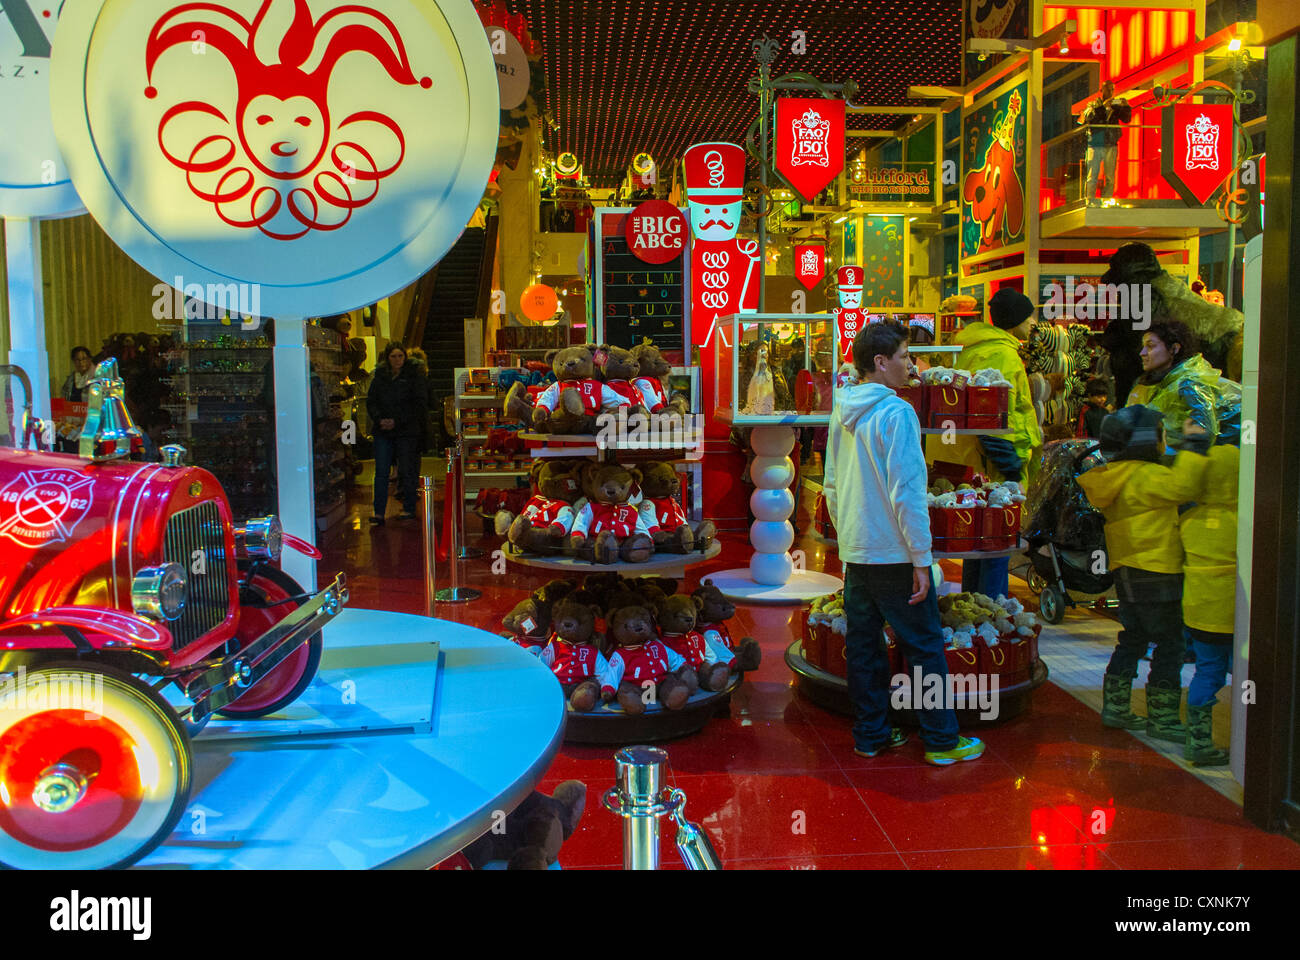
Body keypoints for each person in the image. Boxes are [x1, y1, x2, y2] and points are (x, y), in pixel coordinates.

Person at [824, 322, 985, 766]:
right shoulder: (897, 414)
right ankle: (941, 740)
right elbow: (908, 493)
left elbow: (832, 486)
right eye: (905, 355)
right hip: (894, 553)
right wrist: (921, 557)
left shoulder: (842, 410)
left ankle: (871, 735)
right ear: (880, 362)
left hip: (858, 552)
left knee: (863, 646)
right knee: (924, 646)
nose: (911, 364)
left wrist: (850, 539)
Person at [1077, 406, 1211, 740]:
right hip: (1158, 570)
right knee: (1170, 644)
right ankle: (1163, 719)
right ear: (1147, 441)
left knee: (1132, 638)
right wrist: (1195, 447)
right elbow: (1183, 487)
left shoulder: (1115, 474)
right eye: (1163, 433)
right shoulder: (1146, 475)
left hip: (1126, 570)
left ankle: (1115, 707)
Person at [949, 287, 1043, 597]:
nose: (1033, 323)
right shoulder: (1001, 354)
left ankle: (974, 608)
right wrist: (1012, 467)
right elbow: (990, 416)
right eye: (1029, 317)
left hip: (981, 461)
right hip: (999, 465)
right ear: (1014, 319)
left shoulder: (979, 348)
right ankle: (991, 612)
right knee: (996, 546)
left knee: (979, 546)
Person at [1180, 442, 1238, 766]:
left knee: (1207, 673)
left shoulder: (1190, 519)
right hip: (1234, 613)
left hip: (1199, 613)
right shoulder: (1246, 522)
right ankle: (1246, 740)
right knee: (1245, 676)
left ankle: (1198, 741)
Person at [1126, 318, 1241, 449]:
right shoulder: (1163, 383)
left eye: (1150, 346)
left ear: (1174, 349)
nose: (1143, 353)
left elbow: (1202, 437)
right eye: (1143, 347)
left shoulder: (1190, 384)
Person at [366, 342, 427, 526]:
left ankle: (408, 507)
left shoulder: (413, 377)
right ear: (388, 357)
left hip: (406, 431)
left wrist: (397, 421)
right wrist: (379, 419)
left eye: (400, 356)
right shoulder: (380, 377)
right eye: (393, 356)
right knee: (382, 471)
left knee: (407, 470)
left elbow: (417, 404)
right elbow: (372, 401)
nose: (397, 360)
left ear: (404, 357)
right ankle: (379, 512)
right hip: (383, 430)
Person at [1078, 80, 1131, 204]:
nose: (1111, 92)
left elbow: (1126, 119)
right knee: (1092, 176)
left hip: (1110, 143)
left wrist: (1126, 106)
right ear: (1102, 90)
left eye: (1112, 89)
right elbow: (1090, 117)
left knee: (1110, 177)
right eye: (1108, 89)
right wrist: (1104, 106)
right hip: (1095, 144)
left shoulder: (1115, 105)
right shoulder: (1093, 104)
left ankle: (1106, 200)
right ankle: (1090, 200)